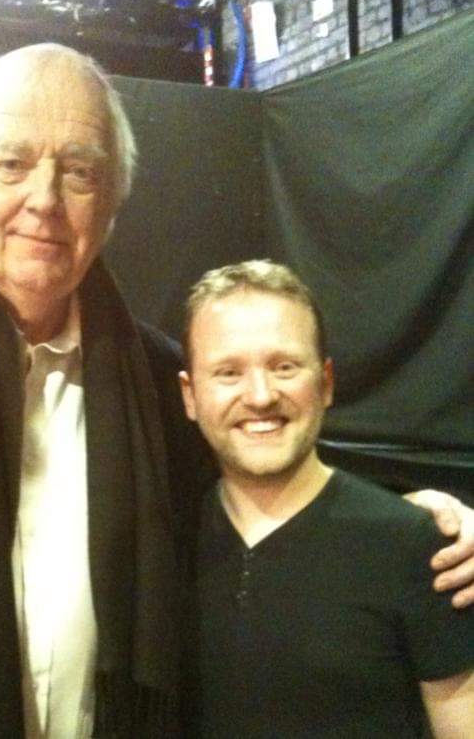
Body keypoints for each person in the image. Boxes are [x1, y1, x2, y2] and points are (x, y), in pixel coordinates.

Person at [0, 46, 472, 739]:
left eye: (79, 171)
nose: (44, 198)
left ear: (109, 205)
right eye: (11, 163)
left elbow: (268, 461)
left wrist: (425, 515)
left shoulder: (157, 379)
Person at [178, 260, 474, 738]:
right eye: (228, 372)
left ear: (326, 383)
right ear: (190, 396)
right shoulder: (166, 540)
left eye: (284, 366)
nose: (260, 395)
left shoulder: (417, 544)